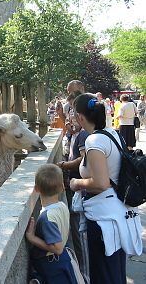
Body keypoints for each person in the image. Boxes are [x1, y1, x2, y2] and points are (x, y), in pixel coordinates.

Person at [70, 93, 142, 284]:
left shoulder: (94, 141)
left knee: (103, 274)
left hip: (104, 219)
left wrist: (76, 184)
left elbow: (101, 183)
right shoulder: (113, 133)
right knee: (115, 272)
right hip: (118, 213)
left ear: (80, 116)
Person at [26, 163, 78, 284]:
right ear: (62, 187)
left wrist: (32, 238)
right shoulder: (62, 206)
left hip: (52, 266)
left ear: (36, 189)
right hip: (62, 261)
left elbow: (58, 248)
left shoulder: (47, 218)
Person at [57, 91, 89, 282]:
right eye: (69, 117)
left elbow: (84, 159)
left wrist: (64, 166)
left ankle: (85, 274)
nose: (70, 120)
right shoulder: (76, 133)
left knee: (79, 231)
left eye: (73, 117)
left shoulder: (84, 136)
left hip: (78, 187)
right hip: (73, 186)